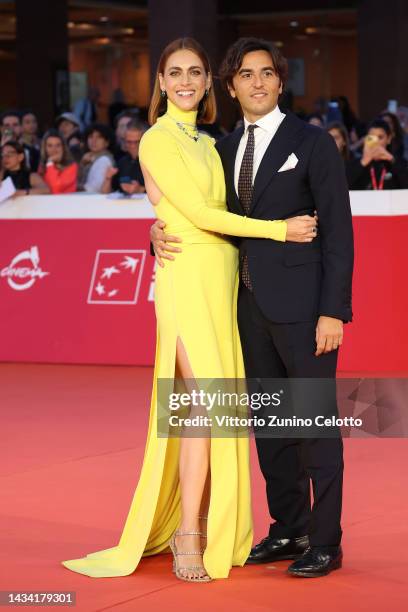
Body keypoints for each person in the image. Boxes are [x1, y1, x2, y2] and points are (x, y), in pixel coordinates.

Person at [61, 37, 316, 583]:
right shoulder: (156, 138)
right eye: (174, 72)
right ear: (160, 81)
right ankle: (188, 534)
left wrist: (159, 223)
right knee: (201, 410)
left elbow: (210, 207)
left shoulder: (208, 142)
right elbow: (199, 212)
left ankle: (200, 522)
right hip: (185, 282)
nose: (185, 81)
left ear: (207, 83)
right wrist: (280, 230)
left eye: (195, 72)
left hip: (222, 280)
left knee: (214, 414)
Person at [151, 37, 354, 579]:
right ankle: (288, 526)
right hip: (244, 309)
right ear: (232, 85)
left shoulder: (312, 143)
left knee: (314, 424)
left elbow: (339, 233)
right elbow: (197, 213)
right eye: (246, 75)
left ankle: (326, 541)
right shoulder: (220, 148)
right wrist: (156, 232)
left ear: (280, 82)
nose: (257, 83)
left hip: (306, 311)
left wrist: (334, 311)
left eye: (266, 73)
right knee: (270, 426)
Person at [347, 118, 408, 190]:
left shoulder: (399, 163)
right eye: (371, 137)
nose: (376, 142)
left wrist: (392, 160)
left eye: (380, 137)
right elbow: (342, 186)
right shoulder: (355, 163)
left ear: (388, 139)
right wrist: (363, 162)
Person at [103, 120, 147, 195]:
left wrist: (139, 189)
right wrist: (108, 178)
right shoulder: (122, 162)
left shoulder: (154, 162)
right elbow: (105, 194)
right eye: (129, 142)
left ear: (145, 140)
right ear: (124, 141)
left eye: (137, 142)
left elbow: (163, 191)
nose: (133, 146)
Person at [77, 123, 115, 193]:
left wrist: (70, 188)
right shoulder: (87, 158)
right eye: (91, 137)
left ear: (107, 142)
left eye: (99, 137)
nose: (94, 141)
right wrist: (82, 164)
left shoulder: (105, 160)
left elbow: (94, 189)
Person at [39, 129, 78, 194]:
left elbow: (55, 189)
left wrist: (50, 162)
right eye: (50, 146)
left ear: (63, 147)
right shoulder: (42, 166)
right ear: (45, 148)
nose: (54, 150)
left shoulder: (71, 166)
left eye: (58, 145)